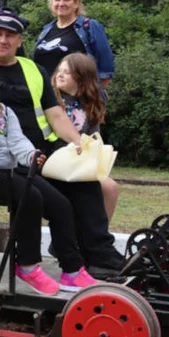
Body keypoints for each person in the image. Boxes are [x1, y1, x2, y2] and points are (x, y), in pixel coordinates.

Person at [0, 8, 124, 274]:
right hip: (7, 157)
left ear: (20, 41)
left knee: (87, 180)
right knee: (60, 202)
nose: (3, 40)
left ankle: (100, 254)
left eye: (10, 35)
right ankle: (72, 260)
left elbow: (56, 115)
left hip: (45, 150)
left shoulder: (33, 69)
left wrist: (79, 142)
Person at [0, 58, 97, 293]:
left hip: (5, 173)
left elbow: (17, 142)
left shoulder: (3, 111)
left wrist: (30, 155)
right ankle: (27, 265)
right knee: (29, 196)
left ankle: (72, 270)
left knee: (60, 204)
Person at [53, 53, 119, 221]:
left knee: (110, 188)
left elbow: (93, 140)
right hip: (56, 159)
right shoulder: (52, 100)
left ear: (82, 78)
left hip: (81, 161)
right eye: (59, 70)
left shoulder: (89, 105)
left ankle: (98, 237)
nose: (60, 74)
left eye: (67, 72)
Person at [33, 0, 115, 89]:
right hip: (46, 97)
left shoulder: (89, 27)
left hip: (77, 98)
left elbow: (106, 69)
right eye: (57, 0)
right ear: (51, 3)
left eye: (66, 0)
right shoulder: (47, 29)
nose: (61, 4)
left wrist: (92, 98)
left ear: (76, 3)